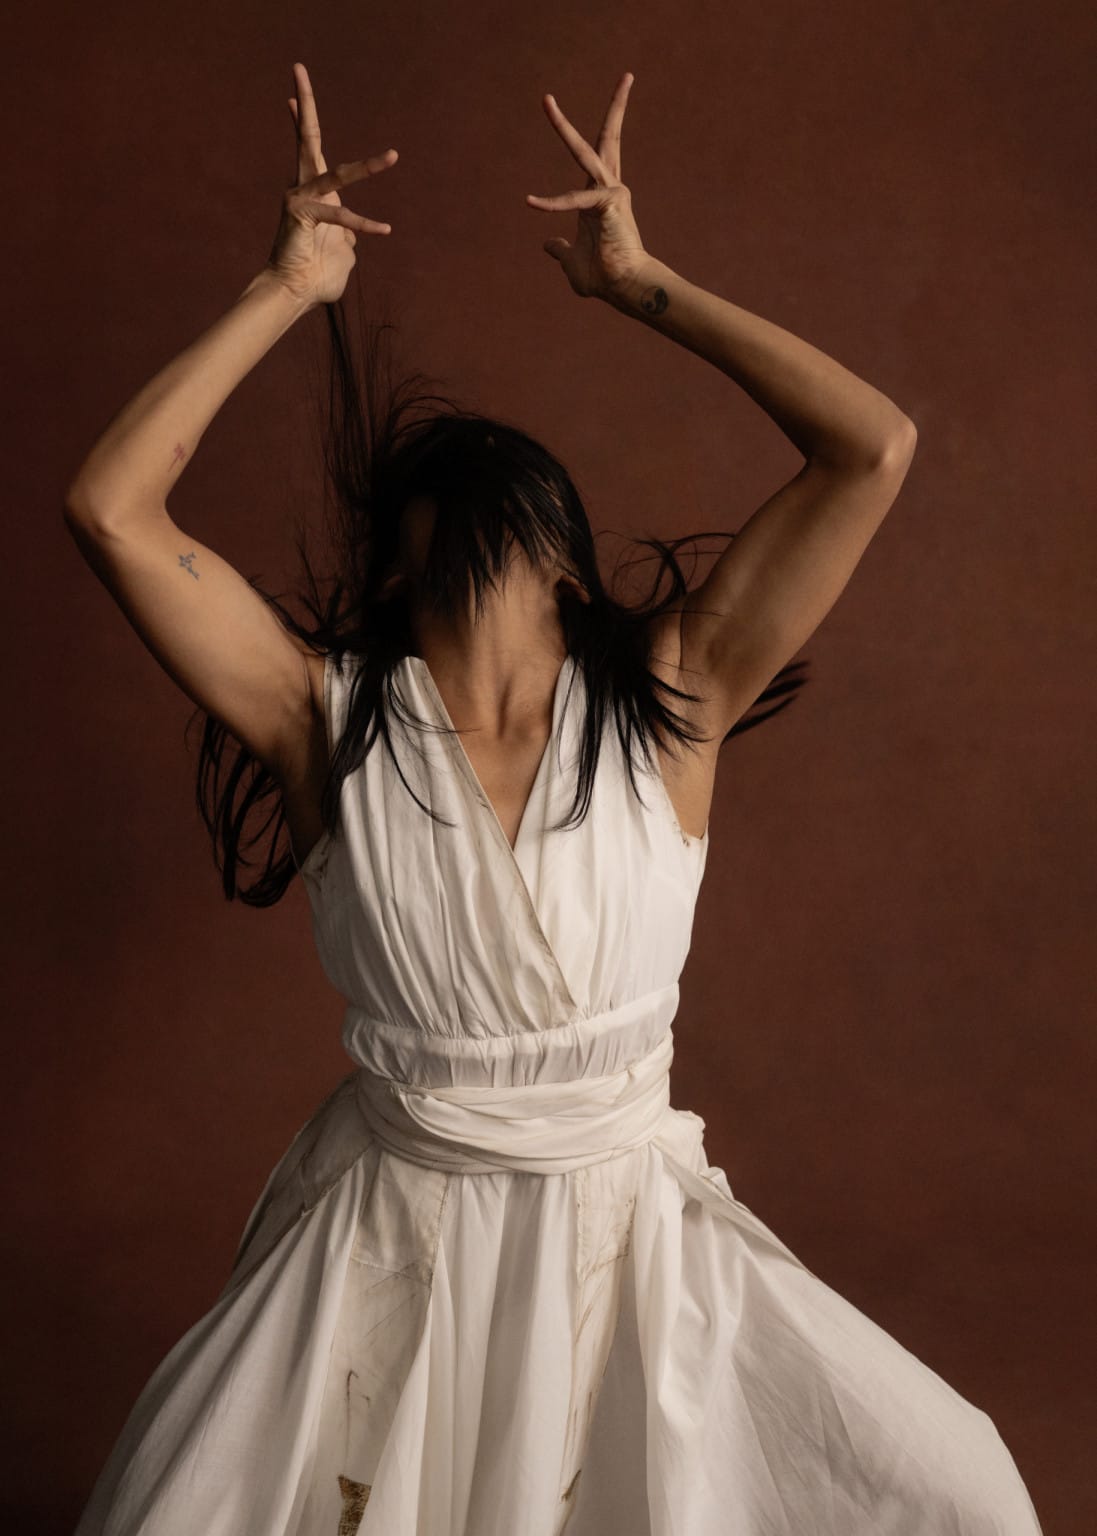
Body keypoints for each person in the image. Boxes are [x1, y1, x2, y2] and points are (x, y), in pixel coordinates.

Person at [64, 61, 1043, 1536]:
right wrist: (285, 289)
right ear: (396, 559)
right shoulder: (323, 720)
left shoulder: (675, 695)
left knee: (952, 1486)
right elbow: (110, 509)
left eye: (508, 501)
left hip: (623, 1237)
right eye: (442, 504)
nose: (471, 503)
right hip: (394, 1239)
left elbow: (872, 448)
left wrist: (644, 286)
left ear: (568, 559)